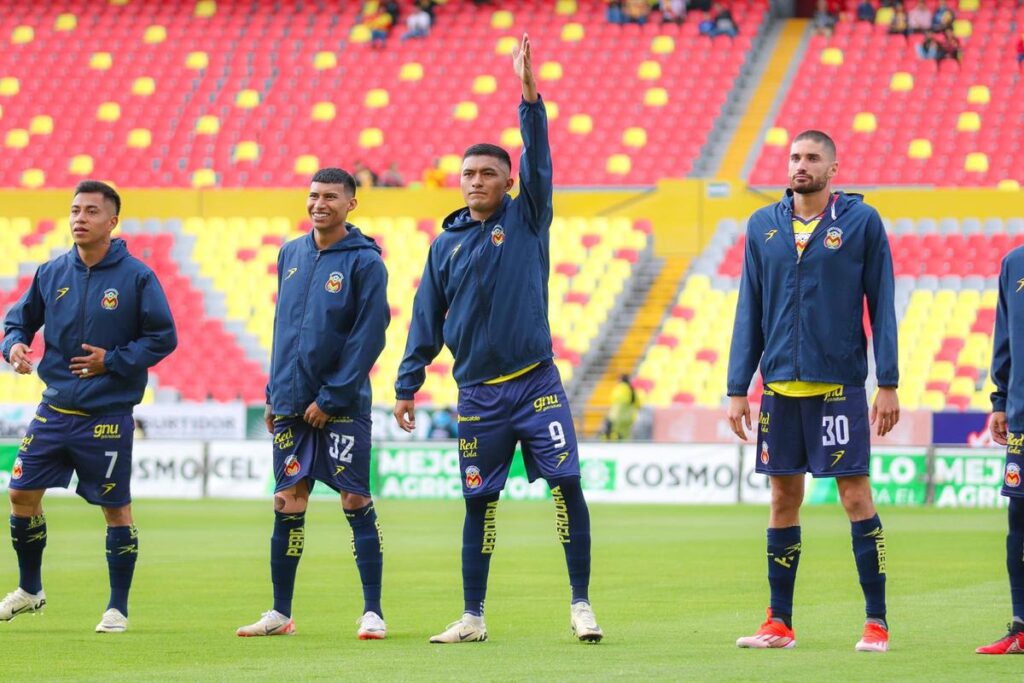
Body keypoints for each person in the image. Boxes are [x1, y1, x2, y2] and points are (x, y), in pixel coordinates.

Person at [394, 34, 603, 645]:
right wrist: (408, 383)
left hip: (536, 382)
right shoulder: (445, 245)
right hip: (478, 396)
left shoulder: (528, 216)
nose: (476, 180)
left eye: (489, 172)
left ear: (509, 182)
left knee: (567, 485)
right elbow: (424, 319)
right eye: (468, 173)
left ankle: (582, 603)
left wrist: (528, 95)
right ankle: (473, 616)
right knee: (478, 504)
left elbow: (539, 158)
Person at [726, 130, 899, 653]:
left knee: (854, 497)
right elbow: (748, 309)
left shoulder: (861, 223)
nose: (801, 165)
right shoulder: (763, 226)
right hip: (778, 389)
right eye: (795, 157)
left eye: (812, 158)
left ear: (833, 168)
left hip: (838, 388)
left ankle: (877, 622)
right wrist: (739, 387)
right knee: (782, 499)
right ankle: (778, 622)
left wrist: (886, 382)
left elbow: (882, 303)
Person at [0, 180, 177, 633]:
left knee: (116, 509)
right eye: (75, 210)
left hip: (107, 416)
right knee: (20, 494)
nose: (80, 218)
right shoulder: (51, 272)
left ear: (112, 221)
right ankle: (30, 589)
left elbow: (163, 337)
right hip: (54, 410)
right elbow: (17, 321)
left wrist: (112, 362)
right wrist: (15, 346)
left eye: (91, 211)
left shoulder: (137, 277)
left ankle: (117, 607)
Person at [236, 168, 391, 639]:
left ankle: (372, 611)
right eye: (313, 195)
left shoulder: (366, 263)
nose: (319, 203)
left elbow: (369, 337)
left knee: (353, 497)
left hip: (340, 405)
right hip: (289, 402)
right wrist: (273, 393)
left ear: (350, 205)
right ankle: (280, 614)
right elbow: (284, 329)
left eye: (330, 196)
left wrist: (332, 396)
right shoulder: (291, 253)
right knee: (287, 501)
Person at [979, 241, 1024, 655]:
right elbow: (1005, 339)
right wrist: (1000, 399)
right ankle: (1021, 626)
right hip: (1023, 417)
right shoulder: (1014, 264)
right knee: (1019, 519)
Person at [604, 374, 639, 440]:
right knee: (626, 435)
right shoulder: (632, 390)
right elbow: (638, 403)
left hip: (618, 416)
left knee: (616, 435)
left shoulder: (620, 388)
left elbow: (612, 399)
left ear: (621, 380)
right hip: (629, 417)